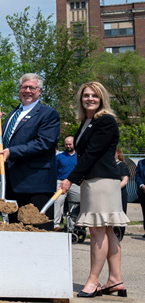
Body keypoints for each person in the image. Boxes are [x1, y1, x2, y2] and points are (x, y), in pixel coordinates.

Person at [59, 81, 129, 298]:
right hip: (94, 180)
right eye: (86, 95)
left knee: (97, 230)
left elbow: (92, 153)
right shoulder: (87, 122)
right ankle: (115, 280)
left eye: (94, 96)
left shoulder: (105, 121)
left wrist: (70, 179)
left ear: (102, 99)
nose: (90, 99)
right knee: (107, 230)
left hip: (101, 181)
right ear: (81, 99)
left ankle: (93, 281)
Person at [0, 73, 60, 230]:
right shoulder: (14, 113)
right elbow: (7, 138)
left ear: (40, 91)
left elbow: (44, 142)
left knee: (38, 231)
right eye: (24, 87)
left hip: (36, 184)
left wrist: (12, 152)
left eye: (32, 88)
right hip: (13, 183)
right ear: (19, 89)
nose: (27, 91)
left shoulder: (48, 114)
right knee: (16, 230)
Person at [54, 136, 79, 231]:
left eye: (70, 144)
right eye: (66, 144)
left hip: (76, 183)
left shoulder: (79, 157)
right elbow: (54, 170)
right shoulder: (59, 157)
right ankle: (56, 225)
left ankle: (74, 226)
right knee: (57, 201)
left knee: (76, 205)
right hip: (61, 182)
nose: (68, 146)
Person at [114, 147, 130, 239]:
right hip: (110, 193)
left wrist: (115, 189)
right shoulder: (109, 165)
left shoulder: (122, 165)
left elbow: (125, 180)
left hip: (120, 192)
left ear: (118, 153)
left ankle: (120, 232)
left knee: (121, 212)